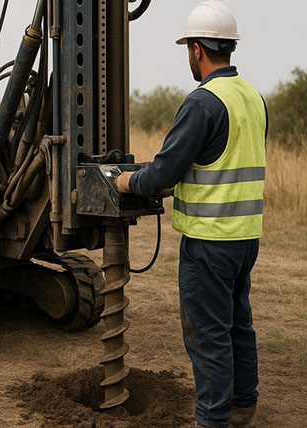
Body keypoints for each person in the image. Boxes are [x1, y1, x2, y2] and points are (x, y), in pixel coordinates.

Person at [114, 1, 266, 427]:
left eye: (188, 48)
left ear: (196, 49)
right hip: (244, 237)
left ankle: (212, 420)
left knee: (208, 334)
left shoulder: (202, 102)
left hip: (209, 242)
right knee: (238, 325)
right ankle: (243, 407)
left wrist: (125, 182)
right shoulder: (253, 98)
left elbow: (164, 171)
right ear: (229, 47)